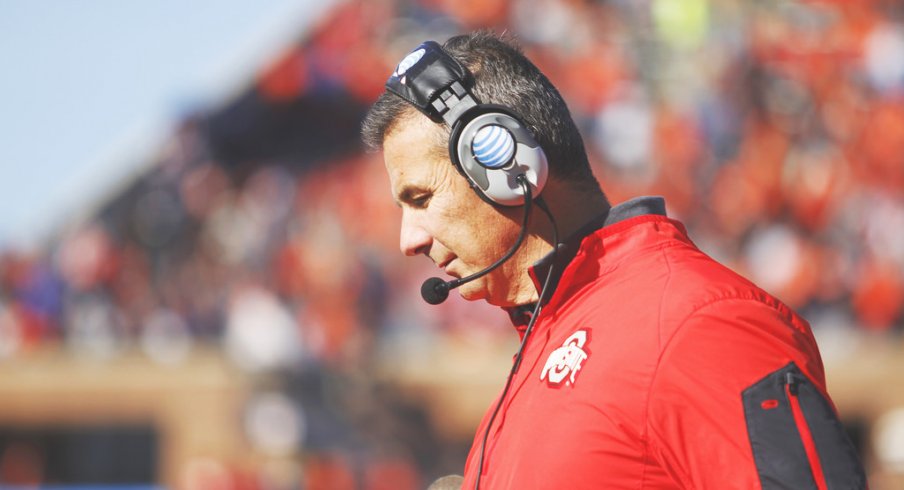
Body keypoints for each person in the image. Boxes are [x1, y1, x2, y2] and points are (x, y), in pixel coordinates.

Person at [361, 31, 867, 489]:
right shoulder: (544, 349)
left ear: (503, 161)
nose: (409, 239)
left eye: (421, 198)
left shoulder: (697, 325)